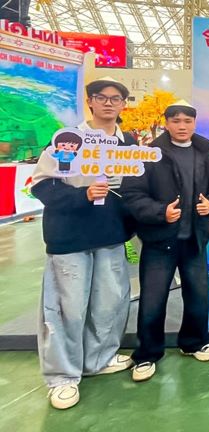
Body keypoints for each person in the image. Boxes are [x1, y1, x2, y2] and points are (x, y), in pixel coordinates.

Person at [31, 76, 137, 410]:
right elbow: (41, 185)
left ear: (123, 104)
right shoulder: (67, 139)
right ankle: (62, 376)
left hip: (111, 236)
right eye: (101, 97)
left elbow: (135, 187)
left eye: (116, 98)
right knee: (67, 308)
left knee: (110, 301)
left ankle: (98, 358)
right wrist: (83, 194)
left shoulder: (128, 143)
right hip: (70, 237)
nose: (109, 103)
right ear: (90, 101)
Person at [120, 100, 209, 382]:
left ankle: (195, 342)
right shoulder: (148, 155)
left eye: (187, 121)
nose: (182, 126)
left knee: (198, 295)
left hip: (195, 239)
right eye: (176, 121)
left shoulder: (206, 154)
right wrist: (160, 212)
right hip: (159, 241)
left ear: (194, 123)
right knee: (152, 300)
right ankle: (147, 354)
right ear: (166, 123)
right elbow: (132, 195)